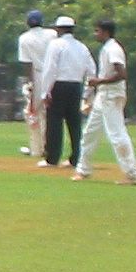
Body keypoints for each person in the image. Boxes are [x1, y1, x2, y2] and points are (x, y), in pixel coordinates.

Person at [73, 19, 136, 185]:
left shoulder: (113, 49)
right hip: (103, 96)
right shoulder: (107, 48)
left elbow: (122, 74)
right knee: (90, 133)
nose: (95, 34)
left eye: (97, 31)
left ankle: (133, 174)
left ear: (105, 32)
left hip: (111, 96)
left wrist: (99, 81)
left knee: (117, 135)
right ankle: (83, 169)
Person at [38, 15, 93, 169]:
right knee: (75, 124)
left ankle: (52, 158)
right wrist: (87, 92)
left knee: (54, 122)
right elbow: (92, 70)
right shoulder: (82, 46)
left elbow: (50, 69)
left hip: (59, 85)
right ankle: (76, 158)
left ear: (59, 29)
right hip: (76, 86)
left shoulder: (56, 44)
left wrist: (45, 92)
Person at [16, 10, 57, 156]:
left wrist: (31, 84)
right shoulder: (52, 34)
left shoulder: (24, 38)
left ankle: (37, 149)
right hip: (55, 75)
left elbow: (27, 64)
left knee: (33, 111)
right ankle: (49, 147)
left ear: (28, 22)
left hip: (38, 75)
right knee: (50, 113)